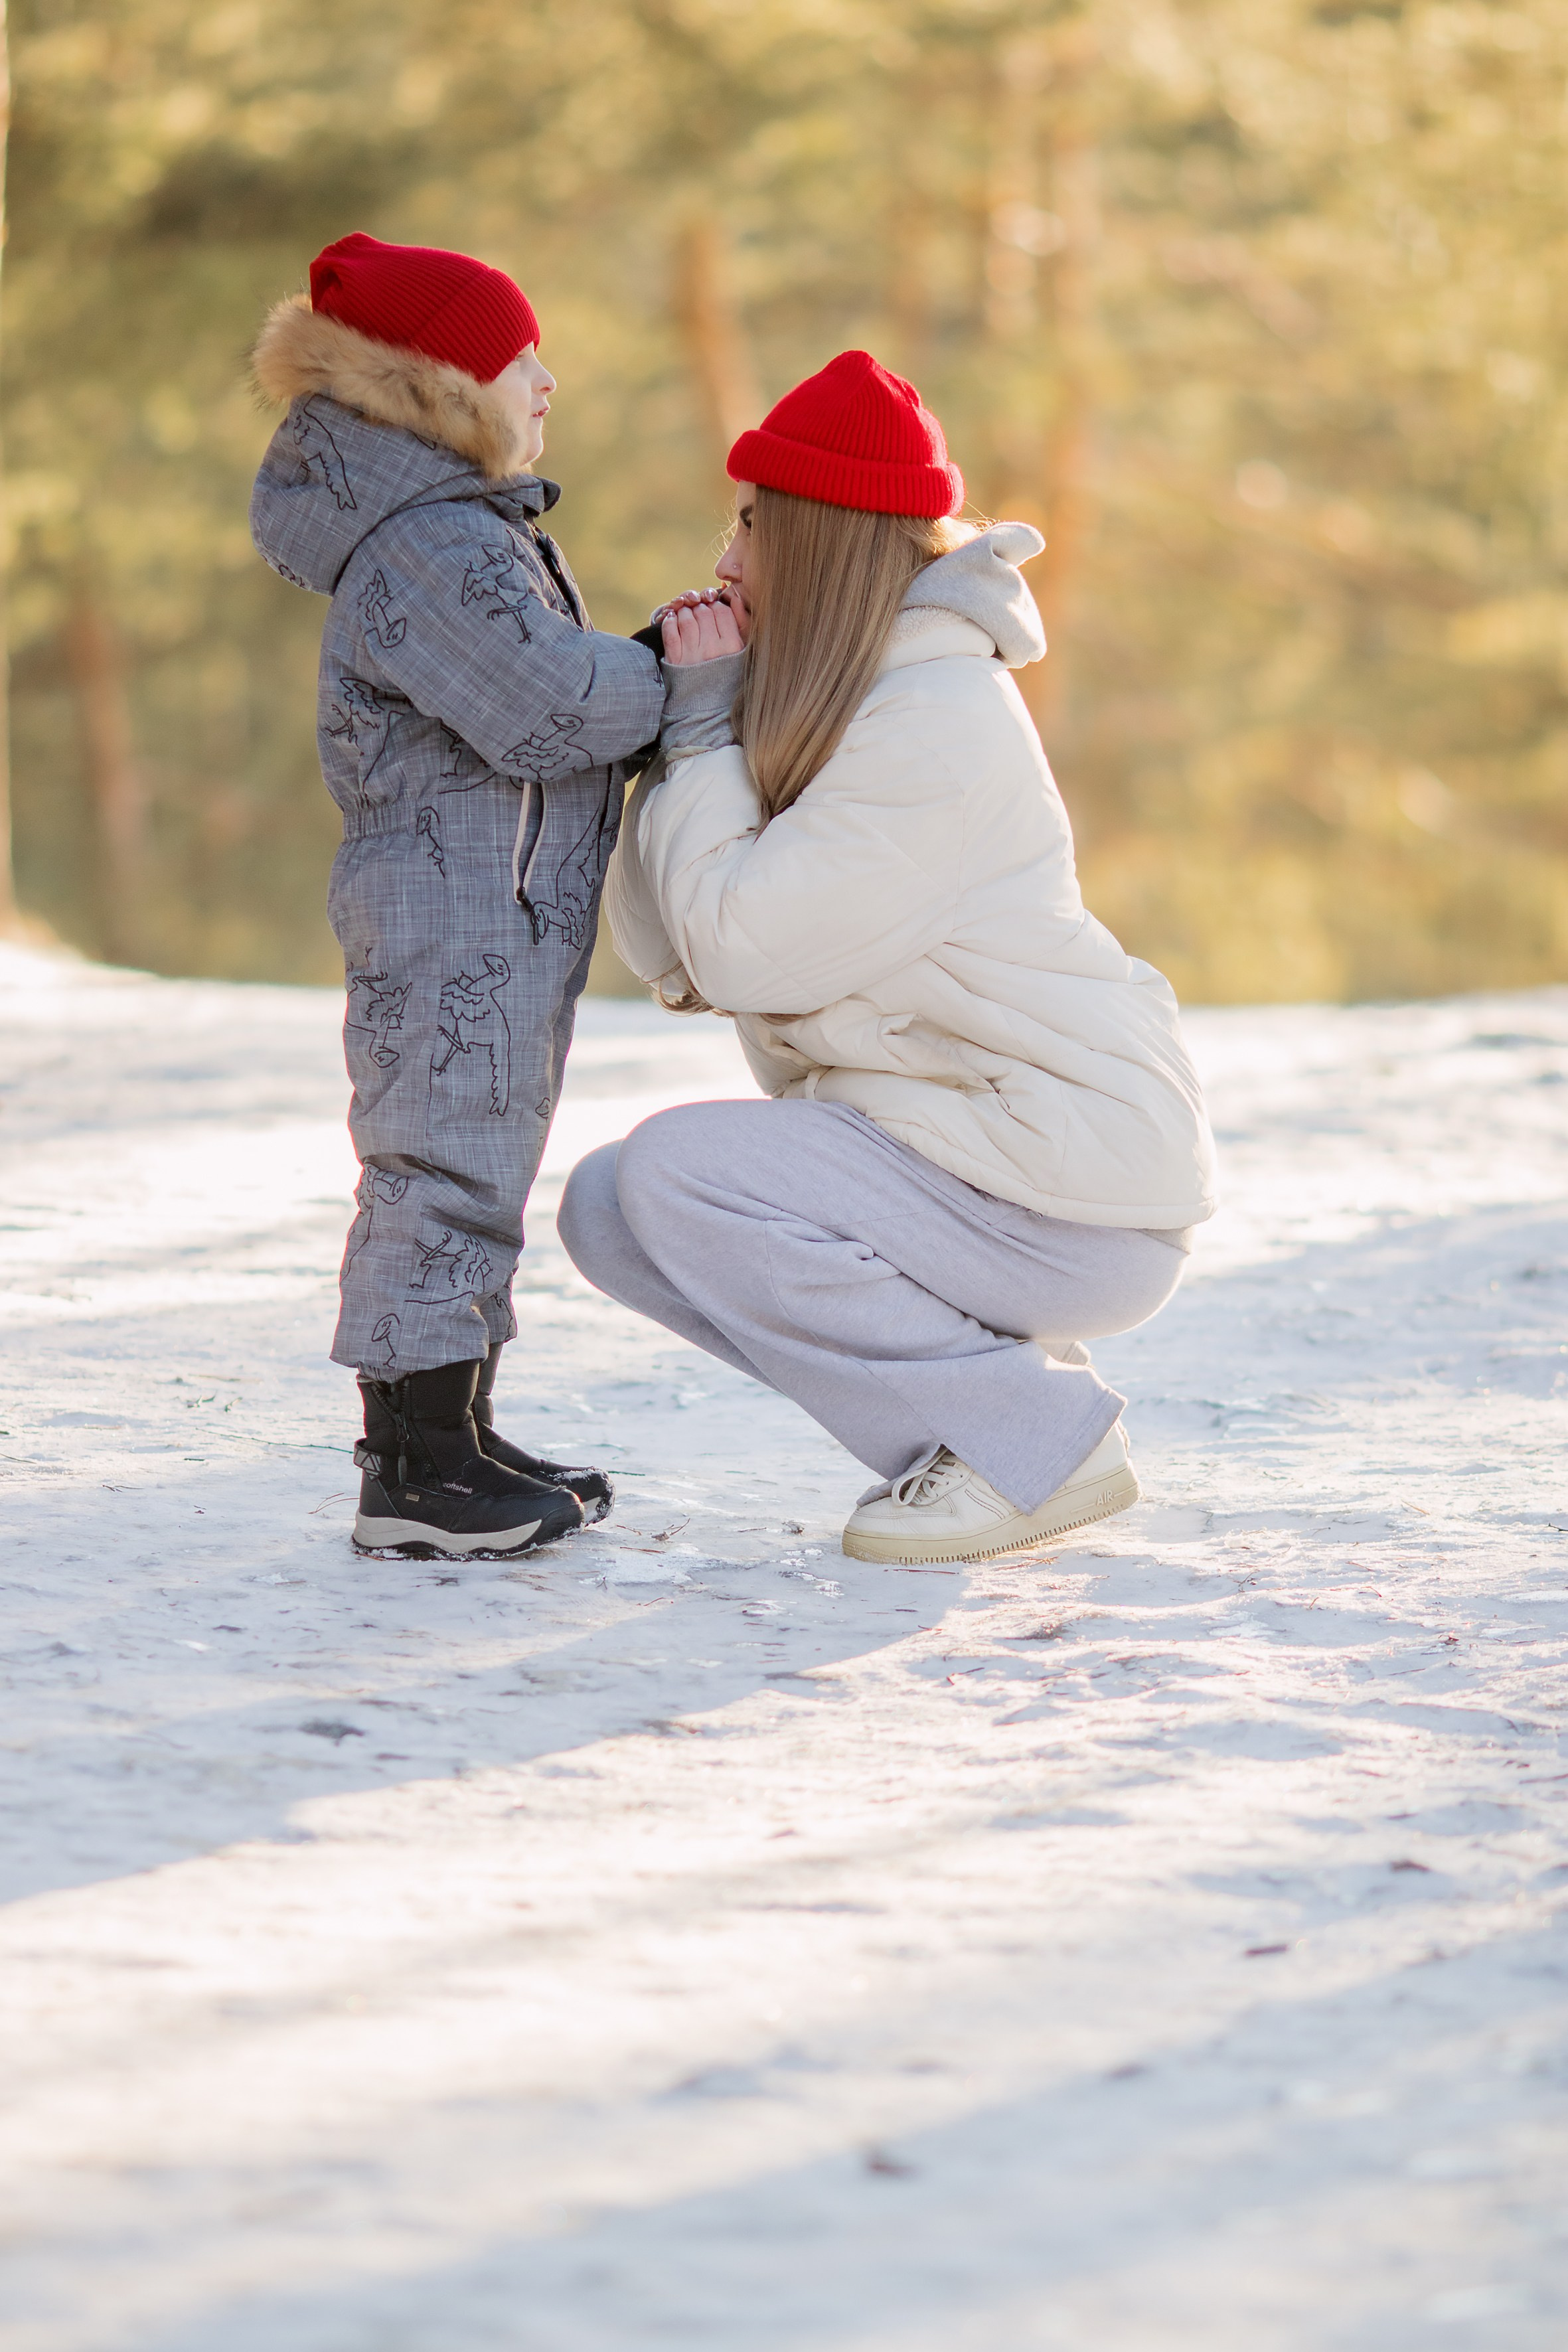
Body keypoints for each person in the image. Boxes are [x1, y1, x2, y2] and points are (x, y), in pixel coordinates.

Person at [558, 349, 1217, 1565]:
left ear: (817, 541)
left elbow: (738, 953)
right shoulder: (837, 700)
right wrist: (693, 734)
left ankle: (1033, 1444)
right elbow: (670, 950)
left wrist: (702, 741)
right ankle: (991, 1430)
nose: (724, 559)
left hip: (1062, 1185)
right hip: (963, 1162)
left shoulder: (934, 721)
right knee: (608, 1211)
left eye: (751, 524)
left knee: (675, 1173)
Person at [250, 232, 666, 1559]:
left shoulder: (453, 528)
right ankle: (414, 1471)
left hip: (487, 908)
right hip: (452, 914)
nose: (546, 380)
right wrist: (674, 669)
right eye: (517, 359)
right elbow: (546, 707)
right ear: (440, 389)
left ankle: (457, 1431)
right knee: (437, 1169)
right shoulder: (428, 544)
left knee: (476, 1166)